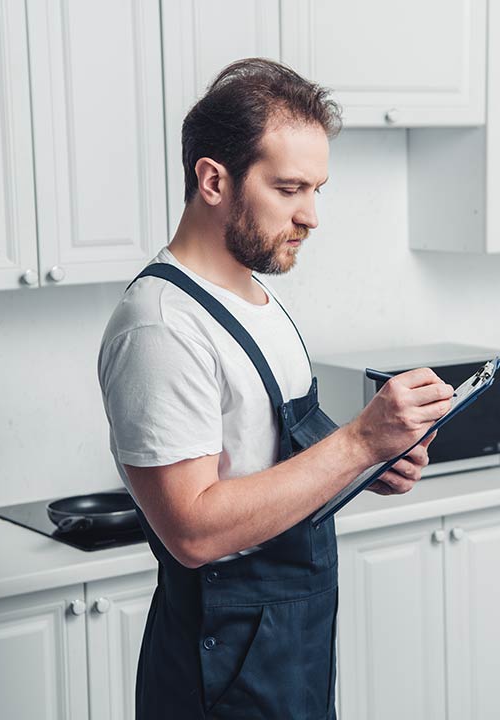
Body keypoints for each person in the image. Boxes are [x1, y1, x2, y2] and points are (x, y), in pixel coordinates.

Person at [98, 58, 453, 719]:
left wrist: (372, 459)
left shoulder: (252, 295)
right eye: (289, 188)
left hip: (290, 642)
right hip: (222, 659)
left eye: (318, 189)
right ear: (213, 180)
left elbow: (269, 451)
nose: (312, 215)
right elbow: (194, 531)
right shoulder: (160, 326)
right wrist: (355, 443)